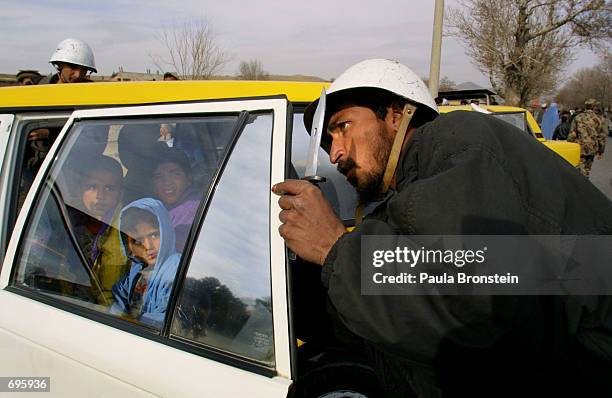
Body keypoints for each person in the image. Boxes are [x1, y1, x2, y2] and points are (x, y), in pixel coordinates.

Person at [273, 59, 612, 396]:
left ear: (396, 114)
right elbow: (404, 307)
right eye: (329, 139)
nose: (335, 153)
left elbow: (473, 315)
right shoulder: (414, 188)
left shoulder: (461, 141)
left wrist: (334, 247)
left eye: (342, 126)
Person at [111, 198, 181, 328]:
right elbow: (119, 300)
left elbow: (166, 321)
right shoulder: (137, 270)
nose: (148, 246)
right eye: (138, 241)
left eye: (154, 235)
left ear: (166, 232)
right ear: (129, 247)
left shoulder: (176, 270)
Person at [71, 155, 130, 304]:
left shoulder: (126, 229)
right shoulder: (68, 220)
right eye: (92, 187)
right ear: (80, 190)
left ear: (120, 193)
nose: (100, 196)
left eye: (109, 188)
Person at [152, 146, 201, 251]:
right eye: (159, 176)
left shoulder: (190, 212)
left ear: (188, 178)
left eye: (175, 174)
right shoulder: (161, 210)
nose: (167, 182)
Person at [567, 98, 608, 177]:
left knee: (579, 168)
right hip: (592, 148)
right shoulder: (599, 119)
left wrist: (570, 146)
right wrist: (601, 151)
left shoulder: (578, 117)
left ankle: (579, 183)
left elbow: (572, 134)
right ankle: (585, 182)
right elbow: (602, 136)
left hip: (579, 147)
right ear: (594, 107)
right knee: (587, 169)